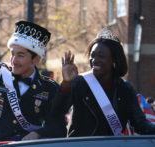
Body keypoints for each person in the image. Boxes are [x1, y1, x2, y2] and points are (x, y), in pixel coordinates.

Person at [24, 28, 155, 140]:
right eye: (92, 56)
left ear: (114, 60)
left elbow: (140, 124)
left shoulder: (125, 89)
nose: (94, 60)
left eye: (101, 56)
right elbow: (56, 113)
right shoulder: (80, 83)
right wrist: (66, 83)